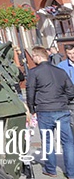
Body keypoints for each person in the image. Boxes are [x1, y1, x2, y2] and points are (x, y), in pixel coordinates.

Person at [27, 46, 74, 177]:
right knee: (68, 142)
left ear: (37, 56)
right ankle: (71, 173)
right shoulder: (60, 71)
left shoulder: (34, 72)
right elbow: (71, 90)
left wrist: (31, 109)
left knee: (47, 141)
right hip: (61, 109)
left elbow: (30, 91)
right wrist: (63, 100)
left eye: (33, 56)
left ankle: (51, 169)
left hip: (44, 110)